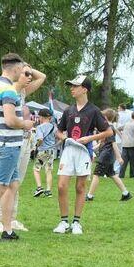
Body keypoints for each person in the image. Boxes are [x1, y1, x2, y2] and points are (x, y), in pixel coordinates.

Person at [0, 53, 44, 241]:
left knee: (12, 186)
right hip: (8, 145)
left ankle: (8, 229)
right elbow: (11, 120)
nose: (25, 74)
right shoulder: (9, 90)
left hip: (1, 142)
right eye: (23, 70)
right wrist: (26, 124)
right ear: (16, 69)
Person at [53, 75, 112, 235]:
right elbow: (59, 131)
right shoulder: (68, 110)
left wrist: (89, 138)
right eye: (71, 86)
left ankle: (76, 222)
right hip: (68, 151)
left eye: (75, 86)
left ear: (85, 89)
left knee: (80, 187)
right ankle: (64, 221)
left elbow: (108, 132)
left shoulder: (94, 110)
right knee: (61, 186)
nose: (72, 88)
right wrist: (64, 138)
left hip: (84, 152)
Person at [86, 109, 131, 203]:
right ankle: (126, 193)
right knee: (112, 174)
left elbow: (113, 143)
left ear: (105, 117)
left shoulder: (109, 128)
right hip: (107, 155)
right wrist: (94, 148)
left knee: (96, 174)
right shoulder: (108, 128)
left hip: (106, 155)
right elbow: (105, 142)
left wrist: (119, 157)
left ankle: (90, 195)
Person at [31, 107, 57, 197]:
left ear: (41, 117)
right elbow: (58, 138)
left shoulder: (39, 127)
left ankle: (39, 188)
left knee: (36, 169)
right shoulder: (54, 127)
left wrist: (37, 146)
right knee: (48, 170)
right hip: (51, 151)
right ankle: (48, 191)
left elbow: (40, 139)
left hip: (42, 151)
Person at [119, 109, 134, 178]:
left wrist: (121, 135)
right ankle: (133, 175)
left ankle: (121, 175)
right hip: (133, 144)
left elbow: (118, 128)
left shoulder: (127, 123)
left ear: (131, 116)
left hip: (125, 144)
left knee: (124, 161)